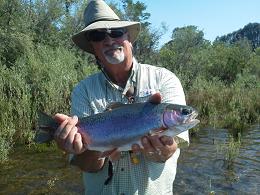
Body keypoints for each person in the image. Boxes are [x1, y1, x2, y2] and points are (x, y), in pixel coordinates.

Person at [54, 0, 189, 194]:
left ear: (129, 38)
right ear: (93, 47)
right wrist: (78, 147)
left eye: (116, 32)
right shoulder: (83, 91)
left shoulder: (164, 79)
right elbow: (87, 165)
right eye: (98, 35)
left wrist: (161, 149)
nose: (109, 40)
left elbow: (170, 151)